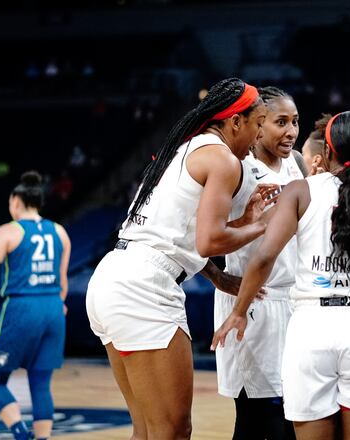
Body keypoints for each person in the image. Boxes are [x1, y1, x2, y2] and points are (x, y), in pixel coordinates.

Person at [213, 111, 350, 440]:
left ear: (327, 151)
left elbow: (264, 256)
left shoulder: (301, 190)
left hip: (311, 327)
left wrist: (238, 312)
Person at [85, 78, 277, 440]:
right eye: (258, 122)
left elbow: (181, 234)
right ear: (236, 121)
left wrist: (221, 275)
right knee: (173, 430)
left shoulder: (186, 148)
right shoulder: (223, 159)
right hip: (144, 289)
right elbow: (209, 241)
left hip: (113, 276)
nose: (259, 135)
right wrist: (261, 226)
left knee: (147, 429)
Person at [214, 86, 304, 440]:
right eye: (281, 122)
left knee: (289, 413)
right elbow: (197, 235)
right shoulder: (237, 169)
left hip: (292, 300)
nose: (291, 131)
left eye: (295, 122)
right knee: (259, 418)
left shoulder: (297, 164)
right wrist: (220, 279)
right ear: (259, 125)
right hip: (253, 301)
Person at [0, 171, 72, 440]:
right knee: (41, 386)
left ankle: (21, 434)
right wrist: (59, 305)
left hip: (22, 310)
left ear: (16, 201)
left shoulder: (7, 231)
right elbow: (62, 280)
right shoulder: (60, 231)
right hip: (54, 309)